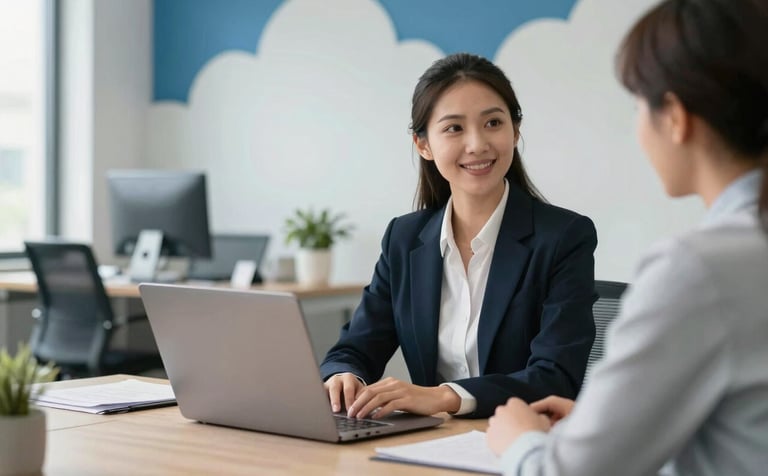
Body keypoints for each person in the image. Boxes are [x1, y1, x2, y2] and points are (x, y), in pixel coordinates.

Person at [486, 0, 768, 474]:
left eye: (638, 103)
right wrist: (611, 427)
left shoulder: (698, 269)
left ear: (675, 116)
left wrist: (521, 442)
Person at [319, 53, 598, 420]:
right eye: (454, 128)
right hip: (428, 445)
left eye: (493, 123)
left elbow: (555, 377)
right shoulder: (404, 239)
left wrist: (446, 397)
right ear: (424, 145)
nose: (477, 144)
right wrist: (344, 375)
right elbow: (354, 348)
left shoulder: (564, 237)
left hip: (522, 445)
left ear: (515, 131)